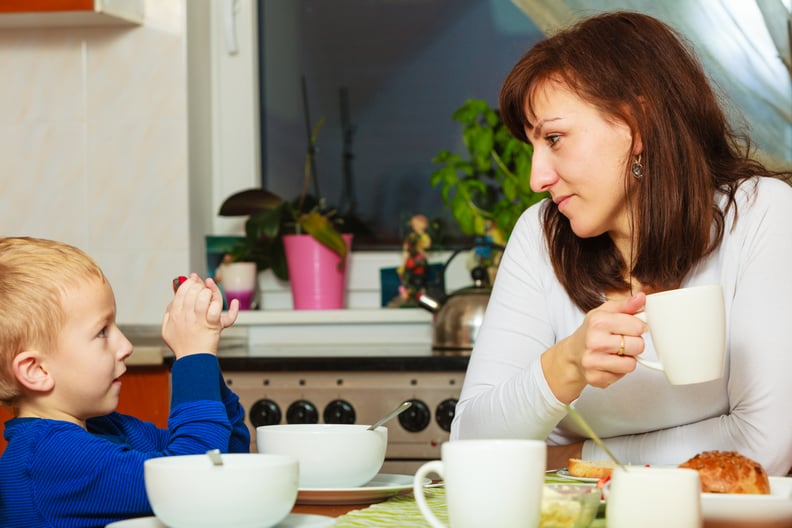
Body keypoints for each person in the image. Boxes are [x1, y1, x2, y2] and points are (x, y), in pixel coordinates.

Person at [450, 11, 792, 476]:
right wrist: (565, 364)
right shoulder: (540, 235)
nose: (537, 178)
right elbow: (470, 446)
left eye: (555, 138)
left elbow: (763, 449)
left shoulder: (759, 213)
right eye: (533, 145)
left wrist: (577, 458)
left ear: (636, 123)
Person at [0, 237, 249, 527]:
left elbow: (226, 460)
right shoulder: (50, 459)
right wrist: (194, 356)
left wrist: (203, 353)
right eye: (102, 332)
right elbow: (194, 479)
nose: (126, 345)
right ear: (36, 370)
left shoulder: (107, 429)